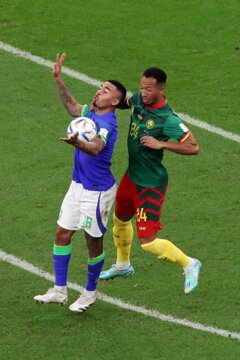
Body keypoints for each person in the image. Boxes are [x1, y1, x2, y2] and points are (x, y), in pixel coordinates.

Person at [34, 53, 127, 312]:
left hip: (97, 192)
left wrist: (78, 143)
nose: (99, 91)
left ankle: (89, 292)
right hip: (77, 186)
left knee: (92, 242)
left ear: (115, 101)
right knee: (62, 233)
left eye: (106, 90)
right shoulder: (91, 113)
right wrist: (58, 79)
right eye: (100, 87)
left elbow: (97, 147)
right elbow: (74, 109)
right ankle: (59, 290)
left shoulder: (107, 123)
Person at [99, 67, 202, 294]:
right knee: (120, 219)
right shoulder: (139, 100)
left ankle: (190, 264)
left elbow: (194, 147)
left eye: (148, 89)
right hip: (132, 175)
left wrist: (162, 144)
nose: (143, 92)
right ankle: (123, 265)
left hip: (150, 184)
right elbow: (128, 101)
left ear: (161, 88)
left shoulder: (168, 119)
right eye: (142, 87)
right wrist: (108, 103)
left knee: (149, 242)